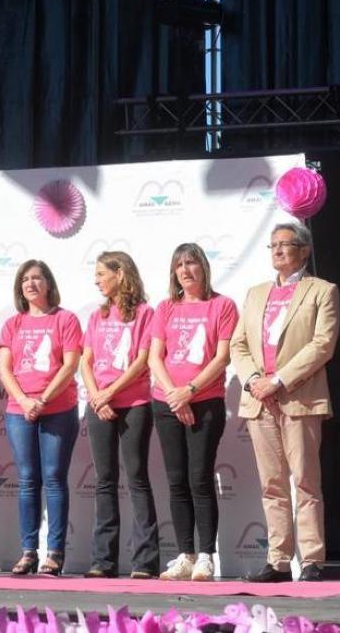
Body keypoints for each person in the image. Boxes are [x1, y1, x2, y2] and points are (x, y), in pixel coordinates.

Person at [231, 222, 340, 583]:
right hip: (259, 400)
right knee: (272, 484)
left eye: (286, 244)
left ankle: (312, 560)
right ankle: (278, 560)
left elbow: (323, 344)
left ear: (304, 250)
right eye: (273, 245)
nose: (277, 250)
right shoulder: (255, 293)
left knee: (306, 481)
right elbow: (238, 344)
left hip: (299, 398)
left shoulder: (322, 290)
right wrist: (253, 380)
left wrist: (278, 380)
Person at [149, 243, 238, 582]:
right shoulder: (165, 308)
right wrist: (175, 395)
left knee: (199, 478)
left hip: (205, 401)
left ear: (203, 267)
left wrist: (189, 391)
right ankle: (185, 554)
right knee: (176, 480)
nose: (185, 270)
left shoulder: (222, 305)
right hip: (166, 402)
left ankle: (205, 556)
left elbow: (222, 357)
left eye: (191, 263)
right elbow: (155, 357)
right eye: (179, 265)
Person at [0, 260, 82, 576]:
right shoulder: (12, 324)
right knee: (27, 480)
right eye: (25, 279)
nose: (31, 284)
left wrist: (43, 399)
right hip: (19, 411)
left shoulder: (65, 319)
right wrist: (24, 400)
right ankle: (29, 551)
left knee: (54, 478)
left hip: (57, 410)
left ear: (48, 283)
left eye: (37, 278)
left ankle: (55, 553)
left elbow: (70, 365)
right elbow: (5, 369)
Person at [81, 250, 159, 579]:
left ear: (120, 274)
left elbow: (142, 360)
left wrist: (110, 392)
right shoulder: (97, 315)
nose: (97, 280)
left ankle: (145, 561)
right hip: (99, 404)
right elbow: (85, 361)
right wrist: (97, 396)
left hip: (134, 403)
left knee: (137, 477)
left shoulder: (145, 313)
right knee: (105, 480)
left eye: (102, 273)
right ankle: (103, 560)